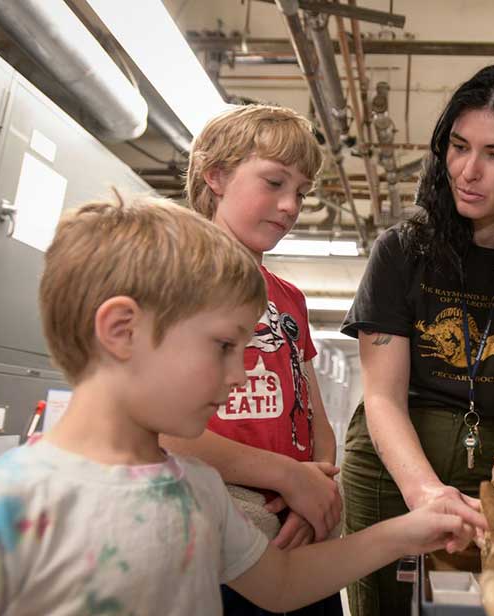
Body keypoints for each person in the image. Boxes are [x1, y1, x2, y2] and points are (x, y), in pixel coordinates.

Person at [0, 194, 484, 615]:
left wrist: (414, 529)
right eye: (224, 347)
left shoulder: (197, 490)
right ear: (123, 330)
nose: (239, 376)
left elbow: (281, 585)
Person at [340, 63, 494, 615]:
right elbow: (382, 398)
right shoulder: (401, 252)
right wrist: (425, 493)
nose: (468, 171)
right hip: (395, 469)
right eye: (458, 147)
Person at [161, 104, 342, 616]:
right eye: (274, 182)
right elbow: (162, 430)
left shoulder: (289, 298)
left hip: (298, 520)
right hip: (211, 522)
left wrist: (316, 485)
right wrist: (288, 477)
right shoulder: (175, 274)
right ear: (215, 175)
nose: (290, 206)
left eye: (302, 193)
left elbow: (314, 415)